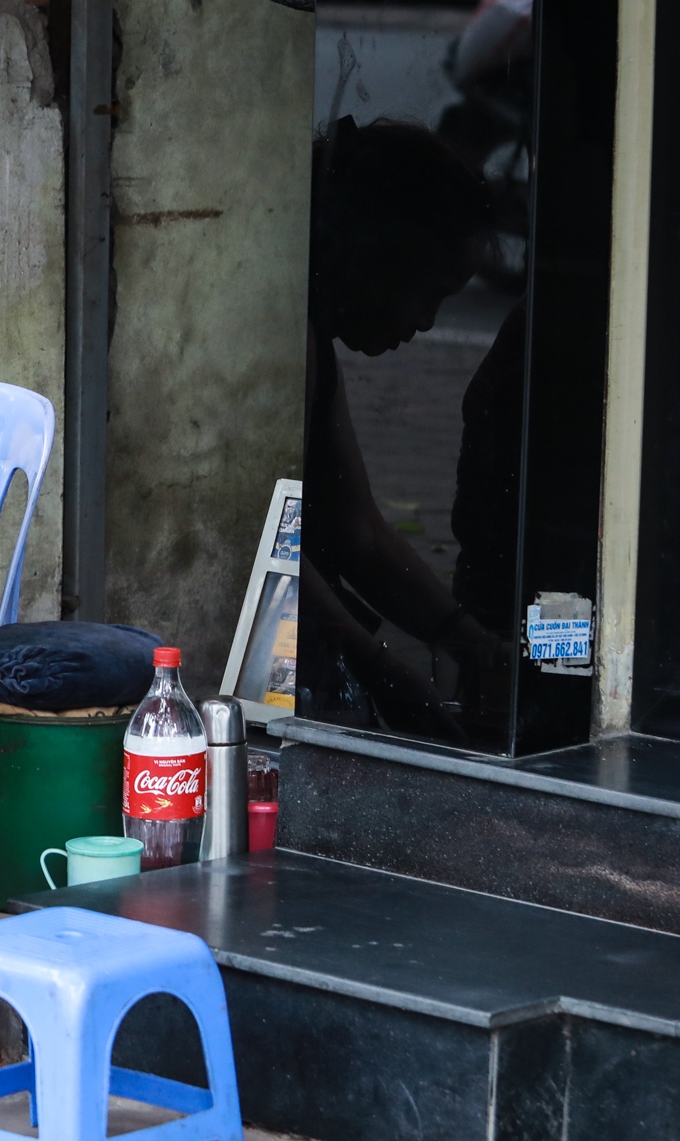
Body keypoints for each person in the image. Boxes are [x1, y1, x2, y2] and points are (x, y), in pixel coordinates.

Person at [300, 116, 505, 741]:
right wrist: (386, 671)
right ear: (380, 256)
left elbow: (358, 531)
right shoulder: (292, 344)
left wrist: (466, 641)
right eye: (428, 292)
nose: (424, 322)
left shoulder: (315, 351)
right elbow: (263, 551)